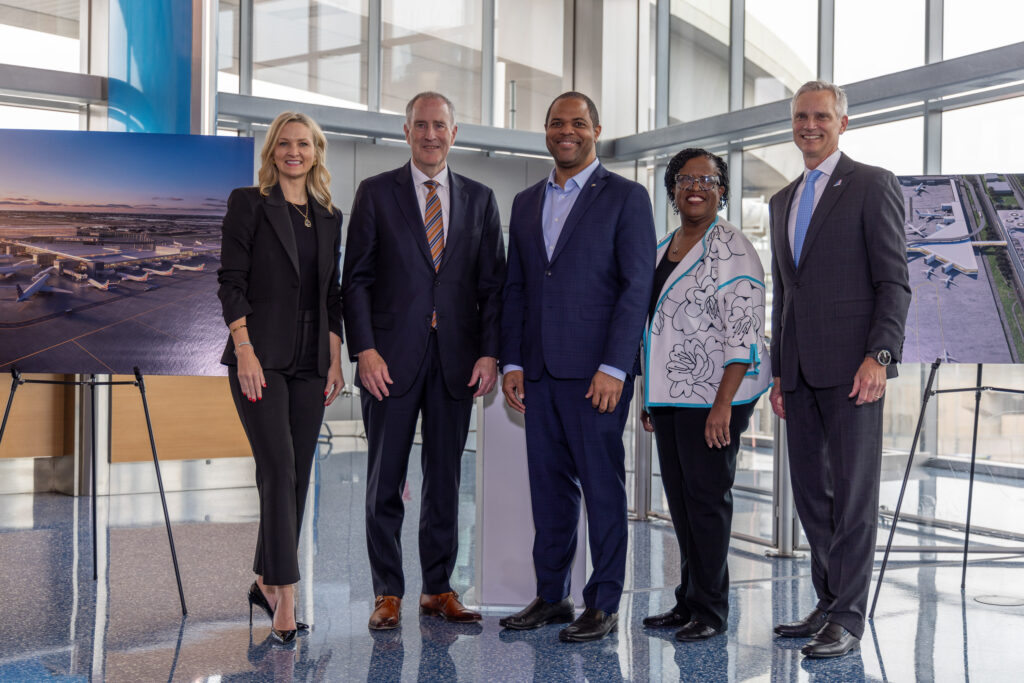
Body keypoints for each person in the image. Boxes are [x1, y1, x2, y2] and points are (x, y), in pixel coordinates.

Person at [342, 91, 506, 630]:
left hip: (456, 362)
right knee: (384, 480)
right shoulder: (375, 193)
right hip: (387, 361)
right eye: (421, 125)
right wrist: (363, 349)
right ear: (406, 132)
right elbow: (357, 280)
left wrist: (489, 352)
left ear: (454, 134)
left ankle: (437, 589)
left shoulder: (481, 199)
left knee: (444, 481)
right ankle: (387, 592)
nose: (430, 134)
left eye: (440, 125)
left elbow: (493, 287)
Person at [499, 91, 655, 642]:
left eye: (578, 124)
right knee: (550, 490)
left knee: (602, 490)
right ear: (545, 131)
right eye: (557, 124)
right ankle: (551, 596)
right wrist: (513, 359)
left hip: (597, 377)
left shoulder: (627, 198)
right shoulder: (523, 202)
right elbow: (516, 286)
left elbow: (637, 288)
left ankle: (604, 601)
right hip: (539, 373)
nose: (567, 132)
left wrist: (616, 367)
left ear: (596, 129)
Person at [768, 81, 910, 658]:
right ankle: (828, 603)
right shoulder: (782, 201)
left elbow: (893, 281)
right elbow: (786, 293)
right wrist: (780, 370)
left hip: (855, 370)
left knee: (853, 497)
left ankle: (848, 620)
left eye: (820, 116)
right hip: (799, 374)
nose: (809, 125)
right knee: (811, 497)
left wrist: (879, 357)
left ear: (842, 123)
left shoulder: (872, 184)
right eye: (801, 116)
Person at [217, 111, 346, 644]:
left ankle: (264, 579)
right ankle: (285, 596)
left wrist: (336, 358)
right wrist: (244, 350)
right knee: (277, 468)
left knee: (297, 473)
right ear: (272, 151)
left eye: (304, 144)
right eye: (285, 144)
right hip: (260, 357)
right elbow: (231, 282)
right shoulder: (248, 203)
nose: (294, 152)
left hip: (312, 362)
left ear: (316, 152)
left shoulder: (330, 216)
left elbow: (332, 295)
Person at [639, 149, 771, 641]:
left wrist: (722, 406)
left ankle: (711, 612)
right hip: (673, 395)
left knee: (707, 502)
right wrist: (651, 397)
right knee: (681, 502)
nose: (696, 186)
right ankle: (688, 600)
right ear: (673, 188)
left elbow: (743, 335)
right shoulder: (661, 246)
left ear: (722, 190)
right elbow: (652, 330)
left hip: (716, 398)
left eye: (708, 179)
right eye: (686, 178)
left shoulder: (733, 249)